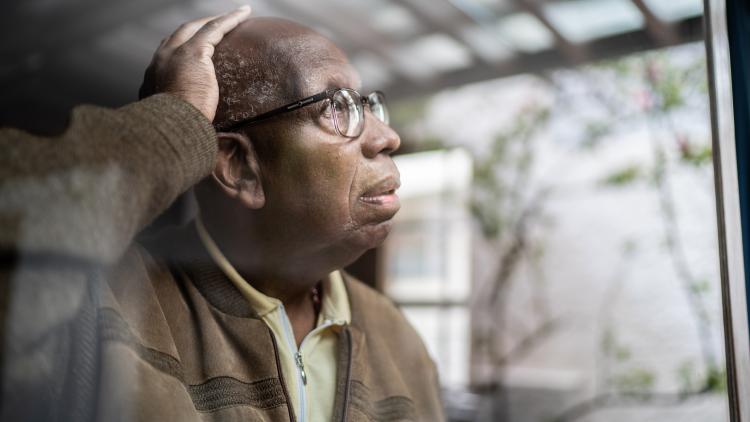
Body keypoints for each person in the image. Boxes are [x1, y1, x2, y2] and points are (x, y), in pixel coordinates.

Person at [0, 5, 444, 422]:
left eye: (368, 106)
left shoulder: (400, 343)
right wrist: (174, 123)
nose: (387, 137)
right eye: (337, 107)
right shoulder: (101, 304)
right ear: (240, 168)